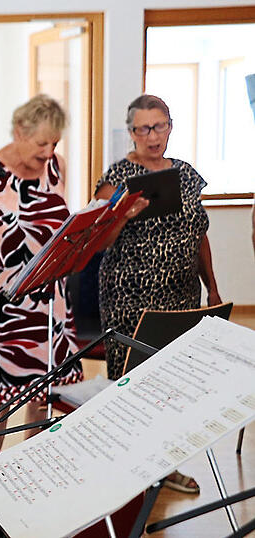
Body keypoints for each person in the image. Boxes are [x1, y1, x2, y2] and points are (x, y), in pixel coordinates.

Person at [94, 94, 221, 494]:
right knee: (132, 384)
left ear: (170, 126)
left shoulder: (185, 174)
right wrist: (120, 214)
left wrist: (212, 287)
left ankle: (164, 466)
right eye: (144, 129)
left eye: (160, 126)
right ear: (131, 132)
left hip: (182, 295)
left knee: (173, 385)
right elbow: (99, 240)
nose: (153, 136)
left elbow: (198, 233)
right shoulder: (116, 177)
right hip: (130, 297)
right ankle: (131, 470)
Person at [0, 94, 83, 458]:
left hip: (49, 297)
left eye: (54, 142)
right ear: (19, 132)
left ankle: (29, 470)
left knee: (44, 393)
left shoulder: (57, 167)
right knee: (0, 395)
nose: (48, 151)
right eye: (42, 143)